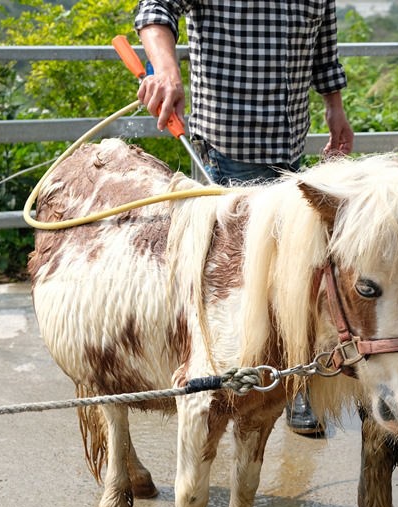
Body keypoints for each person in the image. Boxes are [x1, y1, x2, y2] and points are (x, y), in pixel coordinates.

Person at [134, 0, 354, 434]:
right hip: (226, 149)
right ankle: (224, 375)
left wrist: (335, 108)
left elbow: (323, 51)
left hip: (289, 150)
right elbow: (154, 8)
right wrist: (166, 70)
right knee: (234, 280)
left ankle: (293, 384)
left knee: (293, 267)